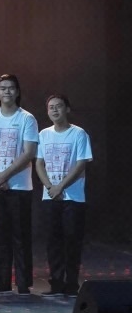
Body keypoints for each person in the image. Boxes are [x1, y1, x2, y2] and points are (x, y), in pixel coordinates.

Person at [0, 73, 39, 295]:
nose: (7, 91)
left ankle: (23, 284)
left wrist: (5, 175)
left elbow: (29, 152)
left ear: (17, 91)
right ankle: (2, 283)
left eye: (11, 88)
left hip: (19, 187)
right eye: (2, 88)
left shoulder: (27, 119)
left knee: (20, 236)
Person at [36, 95, 94, 297]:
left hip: (73, 197)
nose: (54, 110)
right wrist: (49, 187)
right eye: (50, 107)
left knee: (71, 241)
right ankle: (56, 284)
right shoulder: (43, 134)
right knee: (53, 242)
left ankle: (71, 284)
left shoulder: (78, 133)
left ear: (67, 109)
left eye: (58, 106)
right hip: (50, 196)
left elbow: (81, 164)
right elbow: (39, 163)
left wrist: (60, 186)